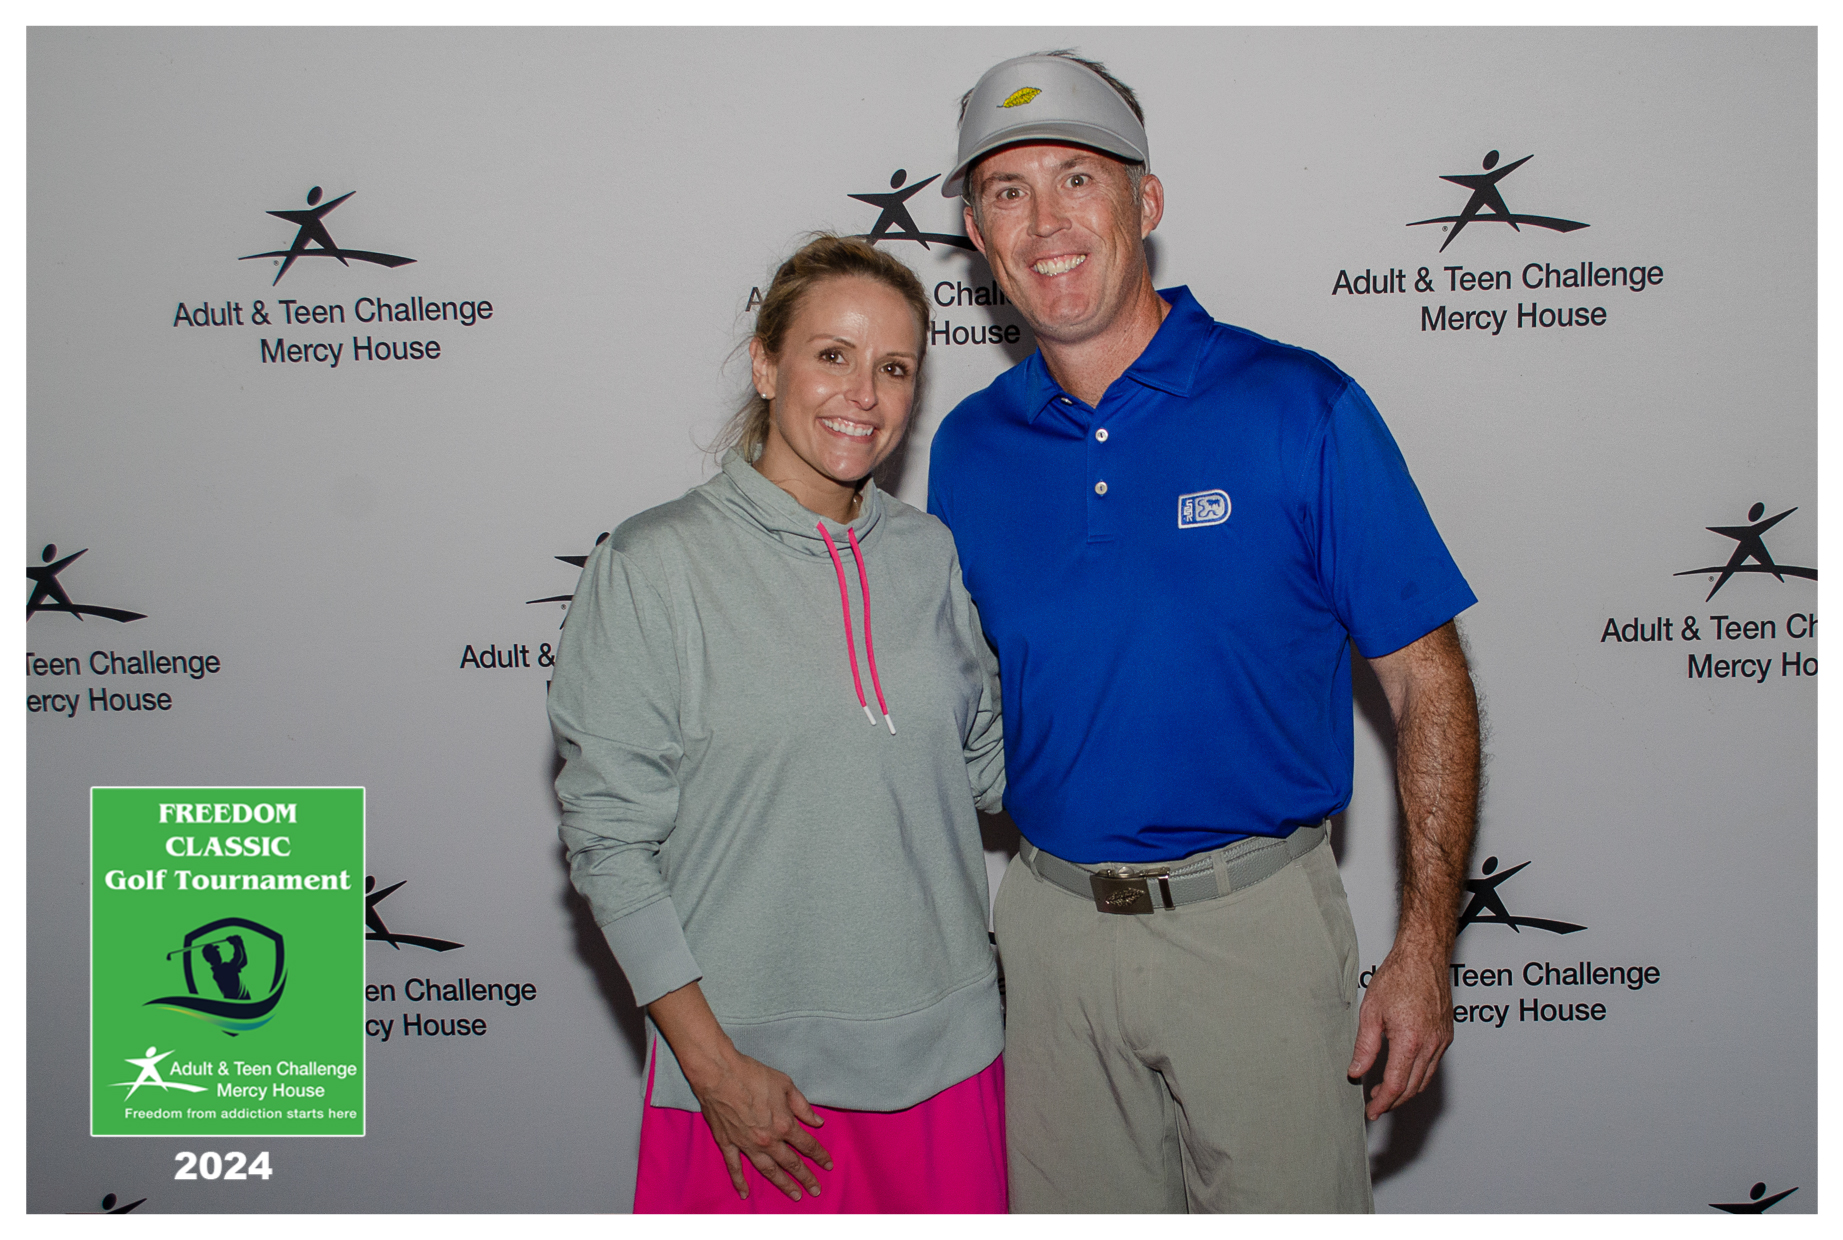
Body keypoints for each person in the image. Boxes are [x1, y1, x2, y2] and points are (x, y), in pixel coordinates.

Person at [926, 52, 1482, 1213]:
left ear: (1146, 201)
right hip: (1050, 934)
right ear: (977, 234)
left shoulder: (1299, 406)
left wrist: (1425, 947)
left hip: (1253, 931)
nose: (1045, 222)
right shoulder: (968, 449)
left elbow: (1426, 681)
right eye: (1007, 190)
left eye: (1077, 177)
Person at [548, 234, 1009, 1213]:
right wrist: (713, 1067)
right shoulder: (652, 564)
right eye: (832, 355)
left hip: (950, 1060)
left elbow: (991, 769)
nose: (864, 395)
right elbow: (610, 844)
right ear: (766, 364)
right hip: (758, 1091)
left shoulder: (929, 554)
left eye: (894, 368)